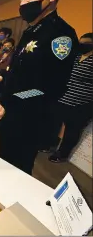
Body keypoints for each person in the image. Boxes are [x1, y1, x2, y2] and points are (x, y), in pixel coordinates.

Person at [0, 0, 78, 175]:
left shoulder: (60, 36)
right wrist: (2, 78)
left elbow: (49, 88)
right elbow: (24, 72)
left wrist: (5, 100)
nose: (23, 3)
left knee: (17, 172)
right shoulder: (31, 31)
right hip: (11, 118)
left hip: (29, 121)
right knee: (4, 166)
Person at [46, 33, 93, 163]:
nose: (82, 45)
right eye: (80, 42)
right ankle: (50, 144)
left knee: (72, 129)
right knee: (55, 122)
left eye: (86, 43)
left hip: (81, 102)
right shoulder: (76, 56)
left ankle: (62, 154)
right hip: (64, 97)